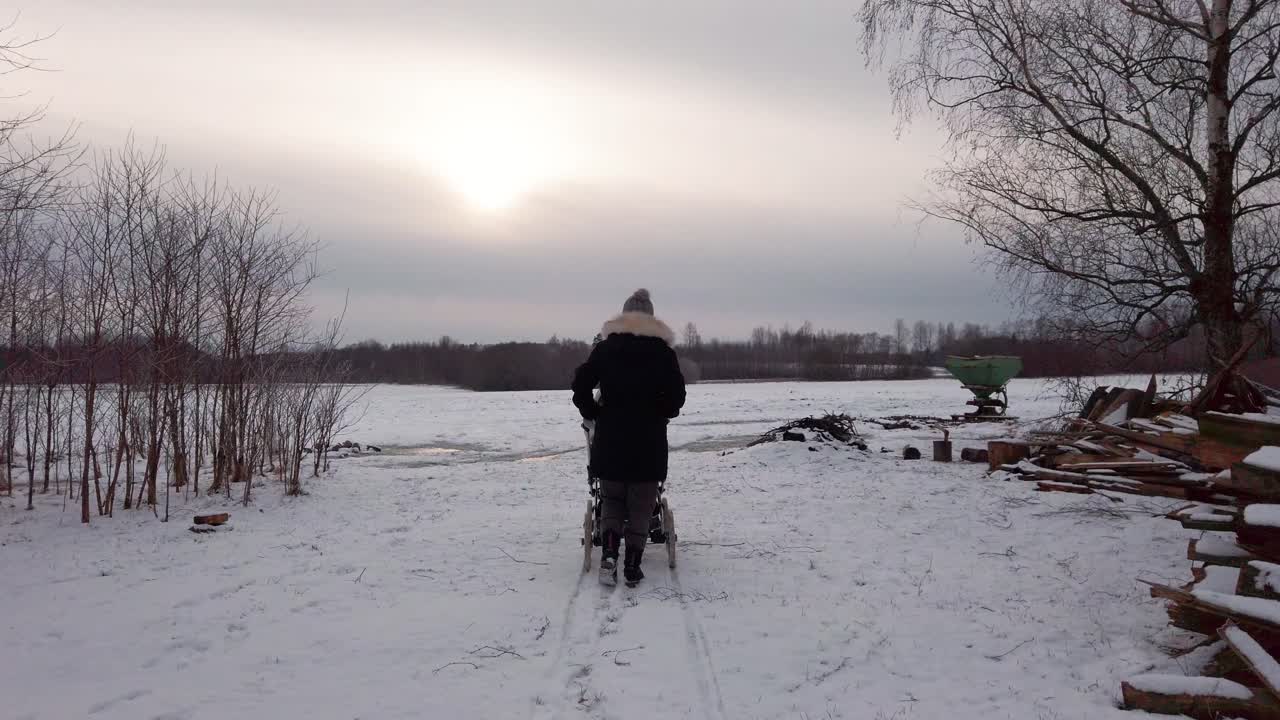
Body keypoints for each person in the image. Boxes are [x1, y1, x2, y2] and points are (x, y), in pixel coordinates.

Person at [572, 289, 686, 587]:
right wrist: (660, 411)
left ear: (623, 316)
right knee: (641, 503)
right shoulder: (663, 353)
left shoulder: (606, 349)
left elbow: (581, 383)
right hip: (648, 441)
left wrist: (593, 411)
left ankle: (609, 553)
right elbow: (677, 398)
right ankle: (633, 563)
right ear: (650, 317)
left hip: (610, 438)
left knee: (611, 499)